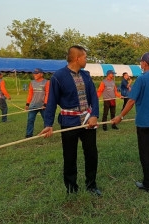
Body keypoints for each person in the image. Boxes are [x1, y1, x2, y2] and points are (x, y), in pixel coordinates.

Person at [39, 46, 100, 196]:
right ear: (77, 58)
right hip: (69, 122)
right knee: (70, 156)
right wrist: (48, 124)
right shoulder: (58, 77)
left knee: (92, 154)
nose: (86, 60)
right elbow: (52, 102)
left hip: (87, 121)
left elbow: (94, 97)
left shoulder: (86, 76)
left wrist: (94, 115)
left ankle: (91, 185)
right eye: (85, 57)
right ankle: (72, 188)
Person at [111, 52, 149, 192]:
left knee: (145, 152)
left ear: (145, 63)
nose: (140, 64)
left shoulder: (141, 80)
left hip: (144, 122)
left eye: (141, 62)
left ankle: (148, 183)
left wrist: (120, 116)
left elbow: (131, 100)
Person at [25, 68, 49, 138]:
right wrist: (27, 103)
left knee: (46, 120)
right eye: (34, 73)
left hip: (43, 106)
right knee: (30, 120)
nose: (34, 75)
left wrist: (45, 104)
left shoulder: (46, 82)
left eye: (37, 73)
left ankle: (46, 133)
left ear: (41, 74)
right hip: (33, 105)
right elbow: (30, 94)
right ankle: (29, 134)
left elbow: (48, 93)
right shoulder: (32, 82)